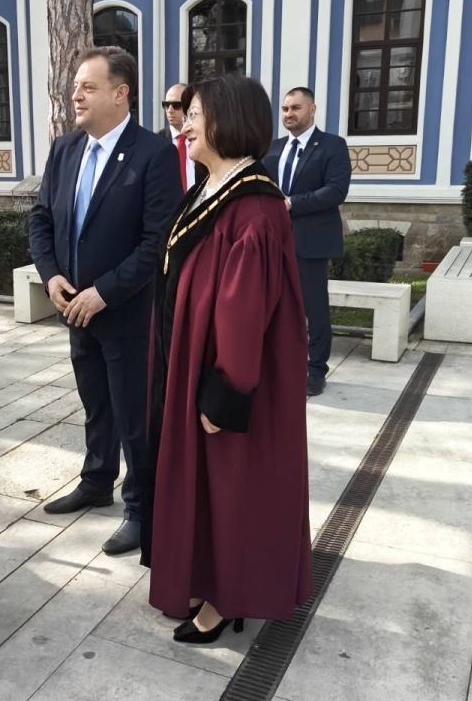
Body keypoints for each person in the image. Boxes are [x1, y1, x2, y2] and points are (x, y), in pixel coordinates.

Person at [145, 75, 313, 643]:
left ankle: (227, 598)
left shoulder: (255, 210)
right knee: (202, 486)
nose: (184, 124)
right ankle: (201, 579)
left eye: (194, 114)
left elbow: (245, 312)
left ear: (228, 120)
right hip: (189, 366)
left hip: (225, 381)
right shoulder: (208, 190)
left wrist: (225, 393)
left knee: (231, 488)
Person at [29, 47, 182, 556]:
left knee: (133, 414)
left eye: (88, 87)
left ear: (121, 94)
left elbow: (156, 241)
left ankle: (141, 509)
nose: (75, 94)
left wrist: (104, 292)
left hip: (127, 314)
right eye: (75, 85)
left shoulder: (153, 154)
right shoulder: (65, 149)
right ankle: (97, 480)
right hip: (74, 309)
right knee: (95, 403)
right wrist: (51, 276)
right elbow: (42, 219)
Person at [262, 87, 350, 396]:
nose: (289, 114)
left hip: (310, 242)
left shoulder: (332, 145)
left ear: (312, 109)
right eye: (285, 109)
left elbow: (336, 190)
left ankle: (316, 370)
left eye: (296, 108)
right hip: (273, 241)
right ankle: (281, 365)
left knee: (314, 308)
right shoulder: (272, 148)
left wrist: (292, 203)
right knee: (276, 307)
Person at [158, 82, 198, 192]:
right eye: (166, 105)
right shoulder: (156, 142)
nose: (170, 110)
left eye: (176, 105)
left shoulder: (203, 139)